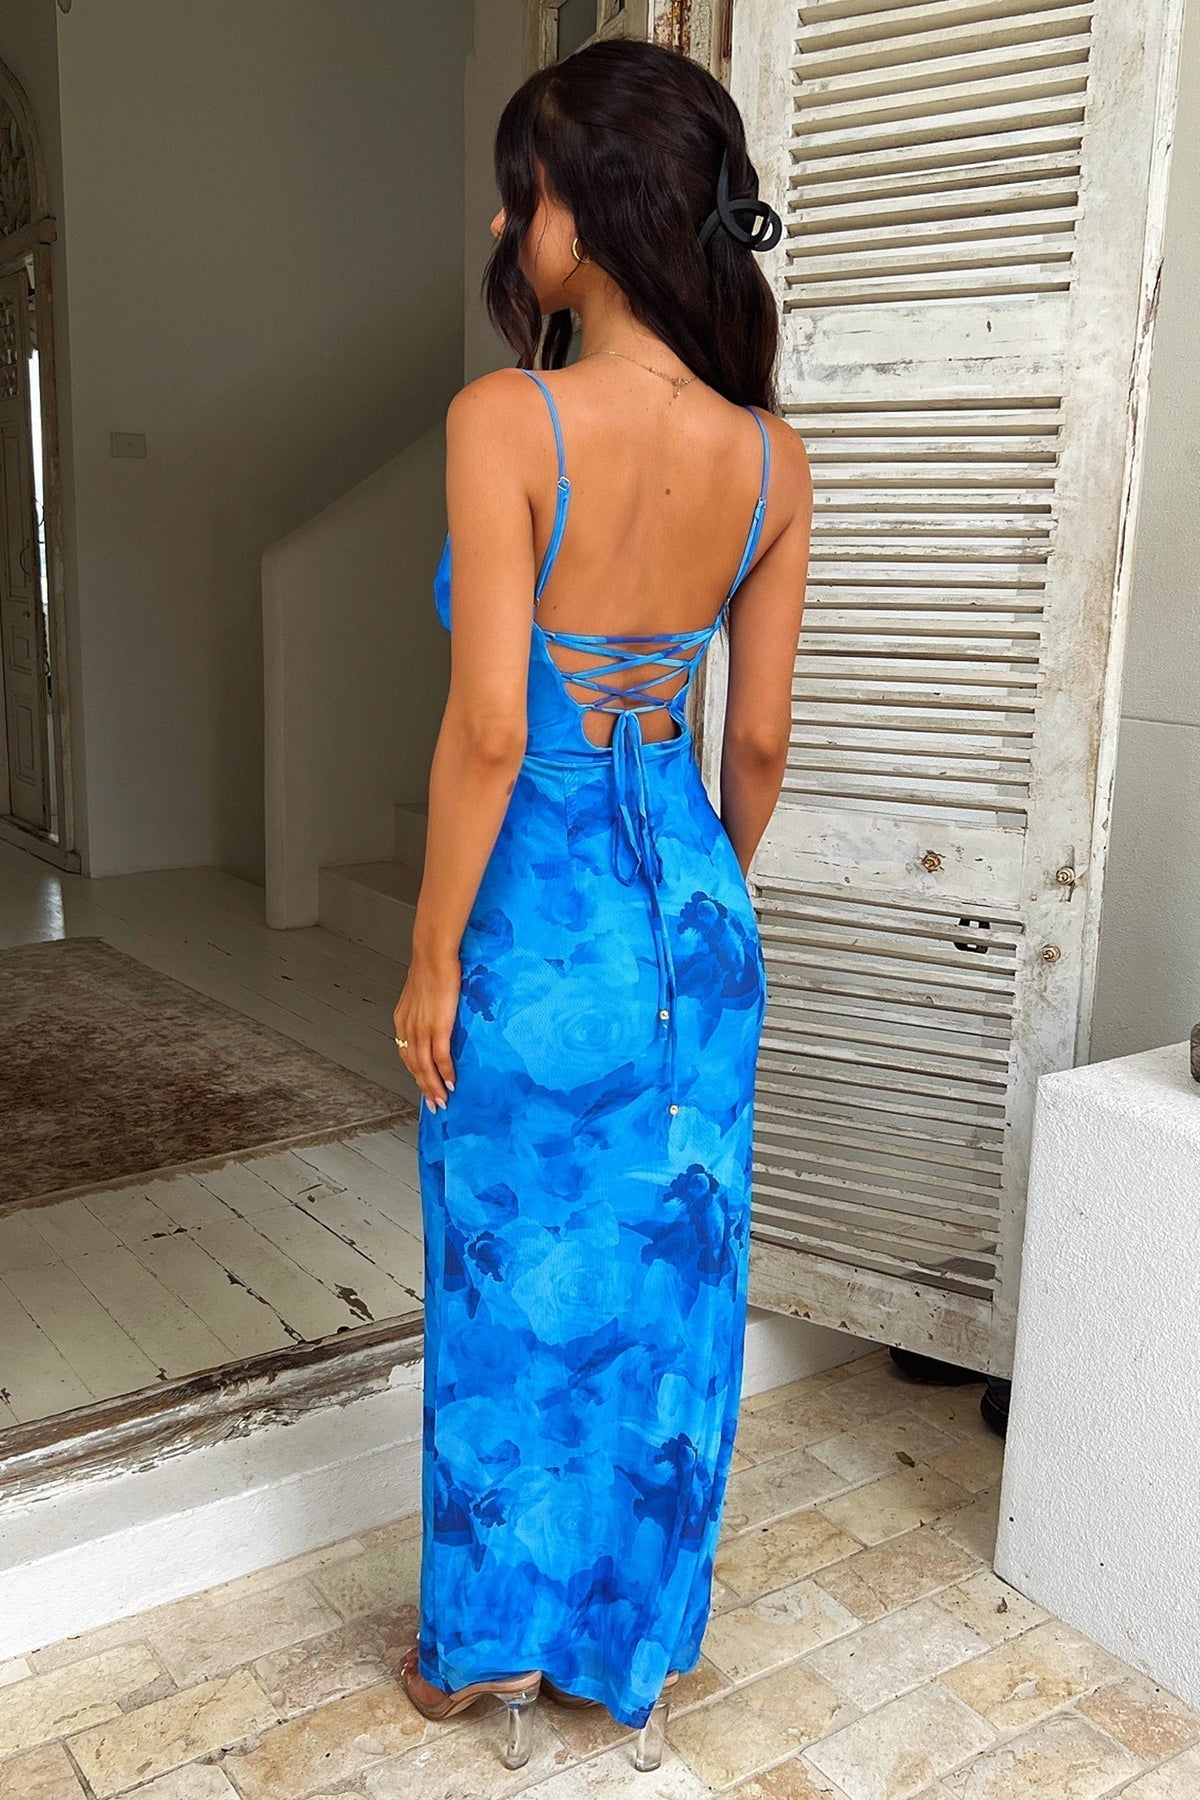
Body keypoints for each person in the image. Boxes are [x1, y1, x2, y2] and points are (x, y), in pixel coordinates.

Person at [391, 36, 812, 1775]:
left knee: (503, 1278)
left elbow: (494, 728)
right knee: (667, 1288)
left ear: (597, 206)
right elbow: (758, 745)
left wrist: (431, 956)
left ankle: (486, 1650)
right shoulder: (772, 461)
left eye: (526, 193)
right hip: (691, 924)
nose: (509, 225)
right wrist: (693, 912)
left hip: (534, 917)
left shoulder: (507, 420)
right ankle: (625, 1648)